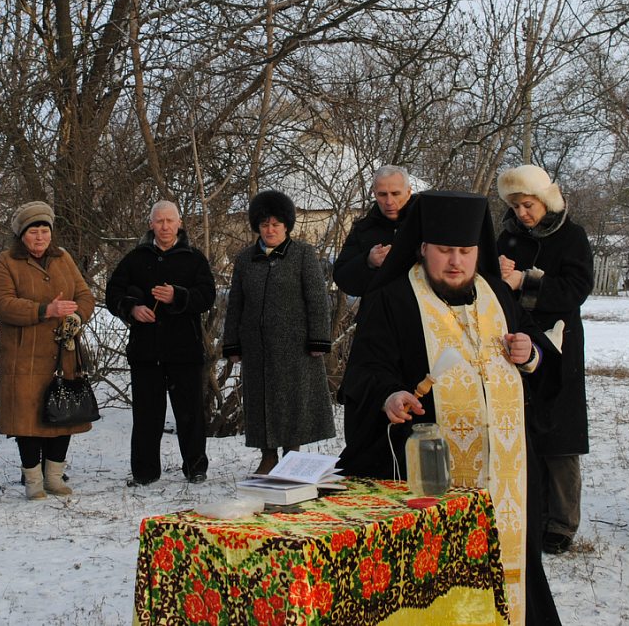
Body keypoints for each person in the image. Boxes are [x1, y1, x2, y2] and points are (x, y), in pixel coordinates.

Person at [338, 190, 561, 626]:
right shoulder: (393, 300)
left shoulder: (498, 297)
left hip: (506, 475)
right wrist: (390, 395)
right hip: (427, 473)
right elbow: (365, 371)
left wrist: (529, 352)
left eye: (465, 251)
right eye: (444, 251)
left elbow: (544, 360)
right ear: (423, 248)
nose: (455, 261)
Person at [497, 164, 595, 556]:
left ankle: (561, 521)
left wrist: (525, 281)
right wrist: (498, 276)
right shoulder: (506, 237)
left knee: (560, 435)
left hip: (559, 343)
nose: (523, 213)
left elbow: (577, 288)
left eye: (528, 204)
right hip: (515, 339)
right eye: (516, 206)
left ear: (545, 200)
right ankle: (532, 513)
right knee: (524, 431)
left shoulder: (571, 236)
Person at [222, 190, 335, 475]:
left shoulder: (303, 255)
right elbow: (235, 302)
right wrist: (232, 343)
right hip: (257, 346)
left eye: (275, 224)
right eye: (264, 225)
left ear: (286, 225)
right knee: (261, 402)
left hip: (295, 346)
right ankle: (267, 455)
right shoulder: (246, 260)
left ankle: (292, 456)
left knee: (293, 400)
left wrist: (319, 337)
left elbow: (317, 299)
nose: (269, 230)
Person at [0, 202, 96, 499]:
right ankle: (33, 480)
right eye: (33, 231)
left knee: (63, 414)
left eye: (44, 231)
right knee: (27, 418)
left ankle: (54, 476)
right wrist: (44, 309)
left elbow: (85, 295)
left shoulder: (63, 258)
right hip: (23, 354)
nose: (40, 237)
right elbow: (2, 302)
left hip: (63, 352)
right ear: (22, 235)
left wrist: (76, 316)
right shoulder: (6, 261)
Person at [105, 201, 215, 486]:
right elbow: (113, 293)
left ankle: (196, 468)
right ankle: (144, 472)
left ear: (179, 223)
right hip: (146, 350)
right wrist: (132, 309)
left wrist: (177, 296)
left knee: (190, 413)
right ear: (151, 224)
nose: (165, 227)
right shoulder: (135, 258)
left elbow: (207, 296)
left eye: (169, 221)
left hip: (185, 349)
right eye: (159, 221)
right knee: (146, 415)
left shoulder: (194, 258)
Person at [332, 165, 414, 297]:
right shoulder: (364, 229)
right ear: (375, 194)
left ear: (409, 192)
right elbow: (342, 279)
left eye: (395, 193)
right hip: (377, 314)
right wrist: (368, 262)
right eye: (382, 194)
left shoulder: (426, 225)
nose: (389, 201)